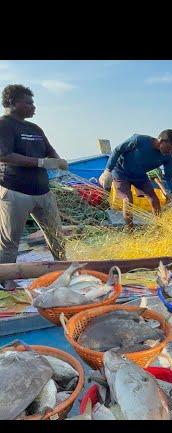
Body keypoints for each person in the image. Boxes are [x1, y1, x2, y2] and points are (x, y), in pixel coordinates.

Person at [0, 84, 68, 290]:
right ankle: (5, 278)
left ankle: (62, 270)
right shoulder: (4, 125)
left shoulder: (35, 129)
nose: (33, 107)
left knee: (56, 235)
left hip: (44, 192)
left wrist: (58, 160)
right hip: (15, 192)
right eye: (28, 102)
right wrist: (39, 163)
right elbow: (3, 154)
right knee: (10, 241)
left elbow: (50, 150)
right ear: (12, 102)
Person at [98, 130, 172, 229]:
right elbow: (117, 150)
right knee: (128, 200)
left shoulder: (167, 156)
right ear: (161, 140)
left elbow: (169, 176)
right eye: (169, 147)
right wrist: (107, 171)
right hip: (121, 171)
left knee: (154, 199)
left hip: (139, 174)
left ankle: (158, 228)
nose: (170, 151)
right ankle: (130, 231)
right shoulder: (139, 140)